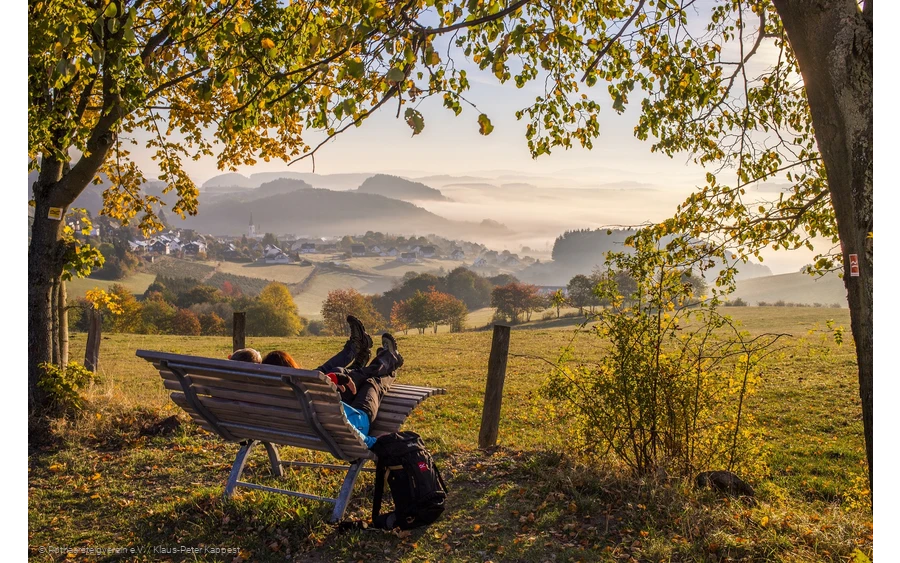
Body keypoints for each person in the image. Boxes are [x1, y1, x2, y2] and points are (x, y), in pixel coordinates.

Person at [260, 318, 403, 449]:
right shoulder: (308, 396)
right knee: (371, 381)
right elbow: (351, 432)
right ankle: (387, 362)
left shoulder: (271, 399)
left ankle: (372, 356)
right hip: (358, 422)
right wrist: (373, 442)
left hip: (332, 421)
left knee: (335, 372)